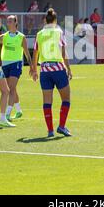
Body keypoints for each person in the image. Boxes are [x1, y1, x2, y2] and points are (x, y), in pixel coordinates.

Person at [31, 8, 73, 137]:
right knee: (66, 98)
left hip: (44, 70)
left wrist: (34, 69)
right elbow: (63, 52)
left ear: (45, 20)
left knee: (47, 102)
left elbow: (35, 53)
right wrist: (69, 68)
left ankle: (50, 130)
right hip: (58, 69)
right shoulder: (58, 32)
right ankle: (61, 126)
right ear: (55, 20)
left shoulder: (40, 34)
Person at [0, 15, 34, 121]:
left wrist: (32, 67)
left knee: (11, 88)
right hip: (5, 65)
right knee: (12, 89)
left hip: (16, 64)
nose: (8, 23)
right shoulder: (3, 36)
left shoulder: (21, 37)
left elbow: (27, 53)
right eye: (7, 21)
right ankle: (19, 111)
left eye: (10, 21)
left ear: (15, 22)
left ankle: (7, 113)